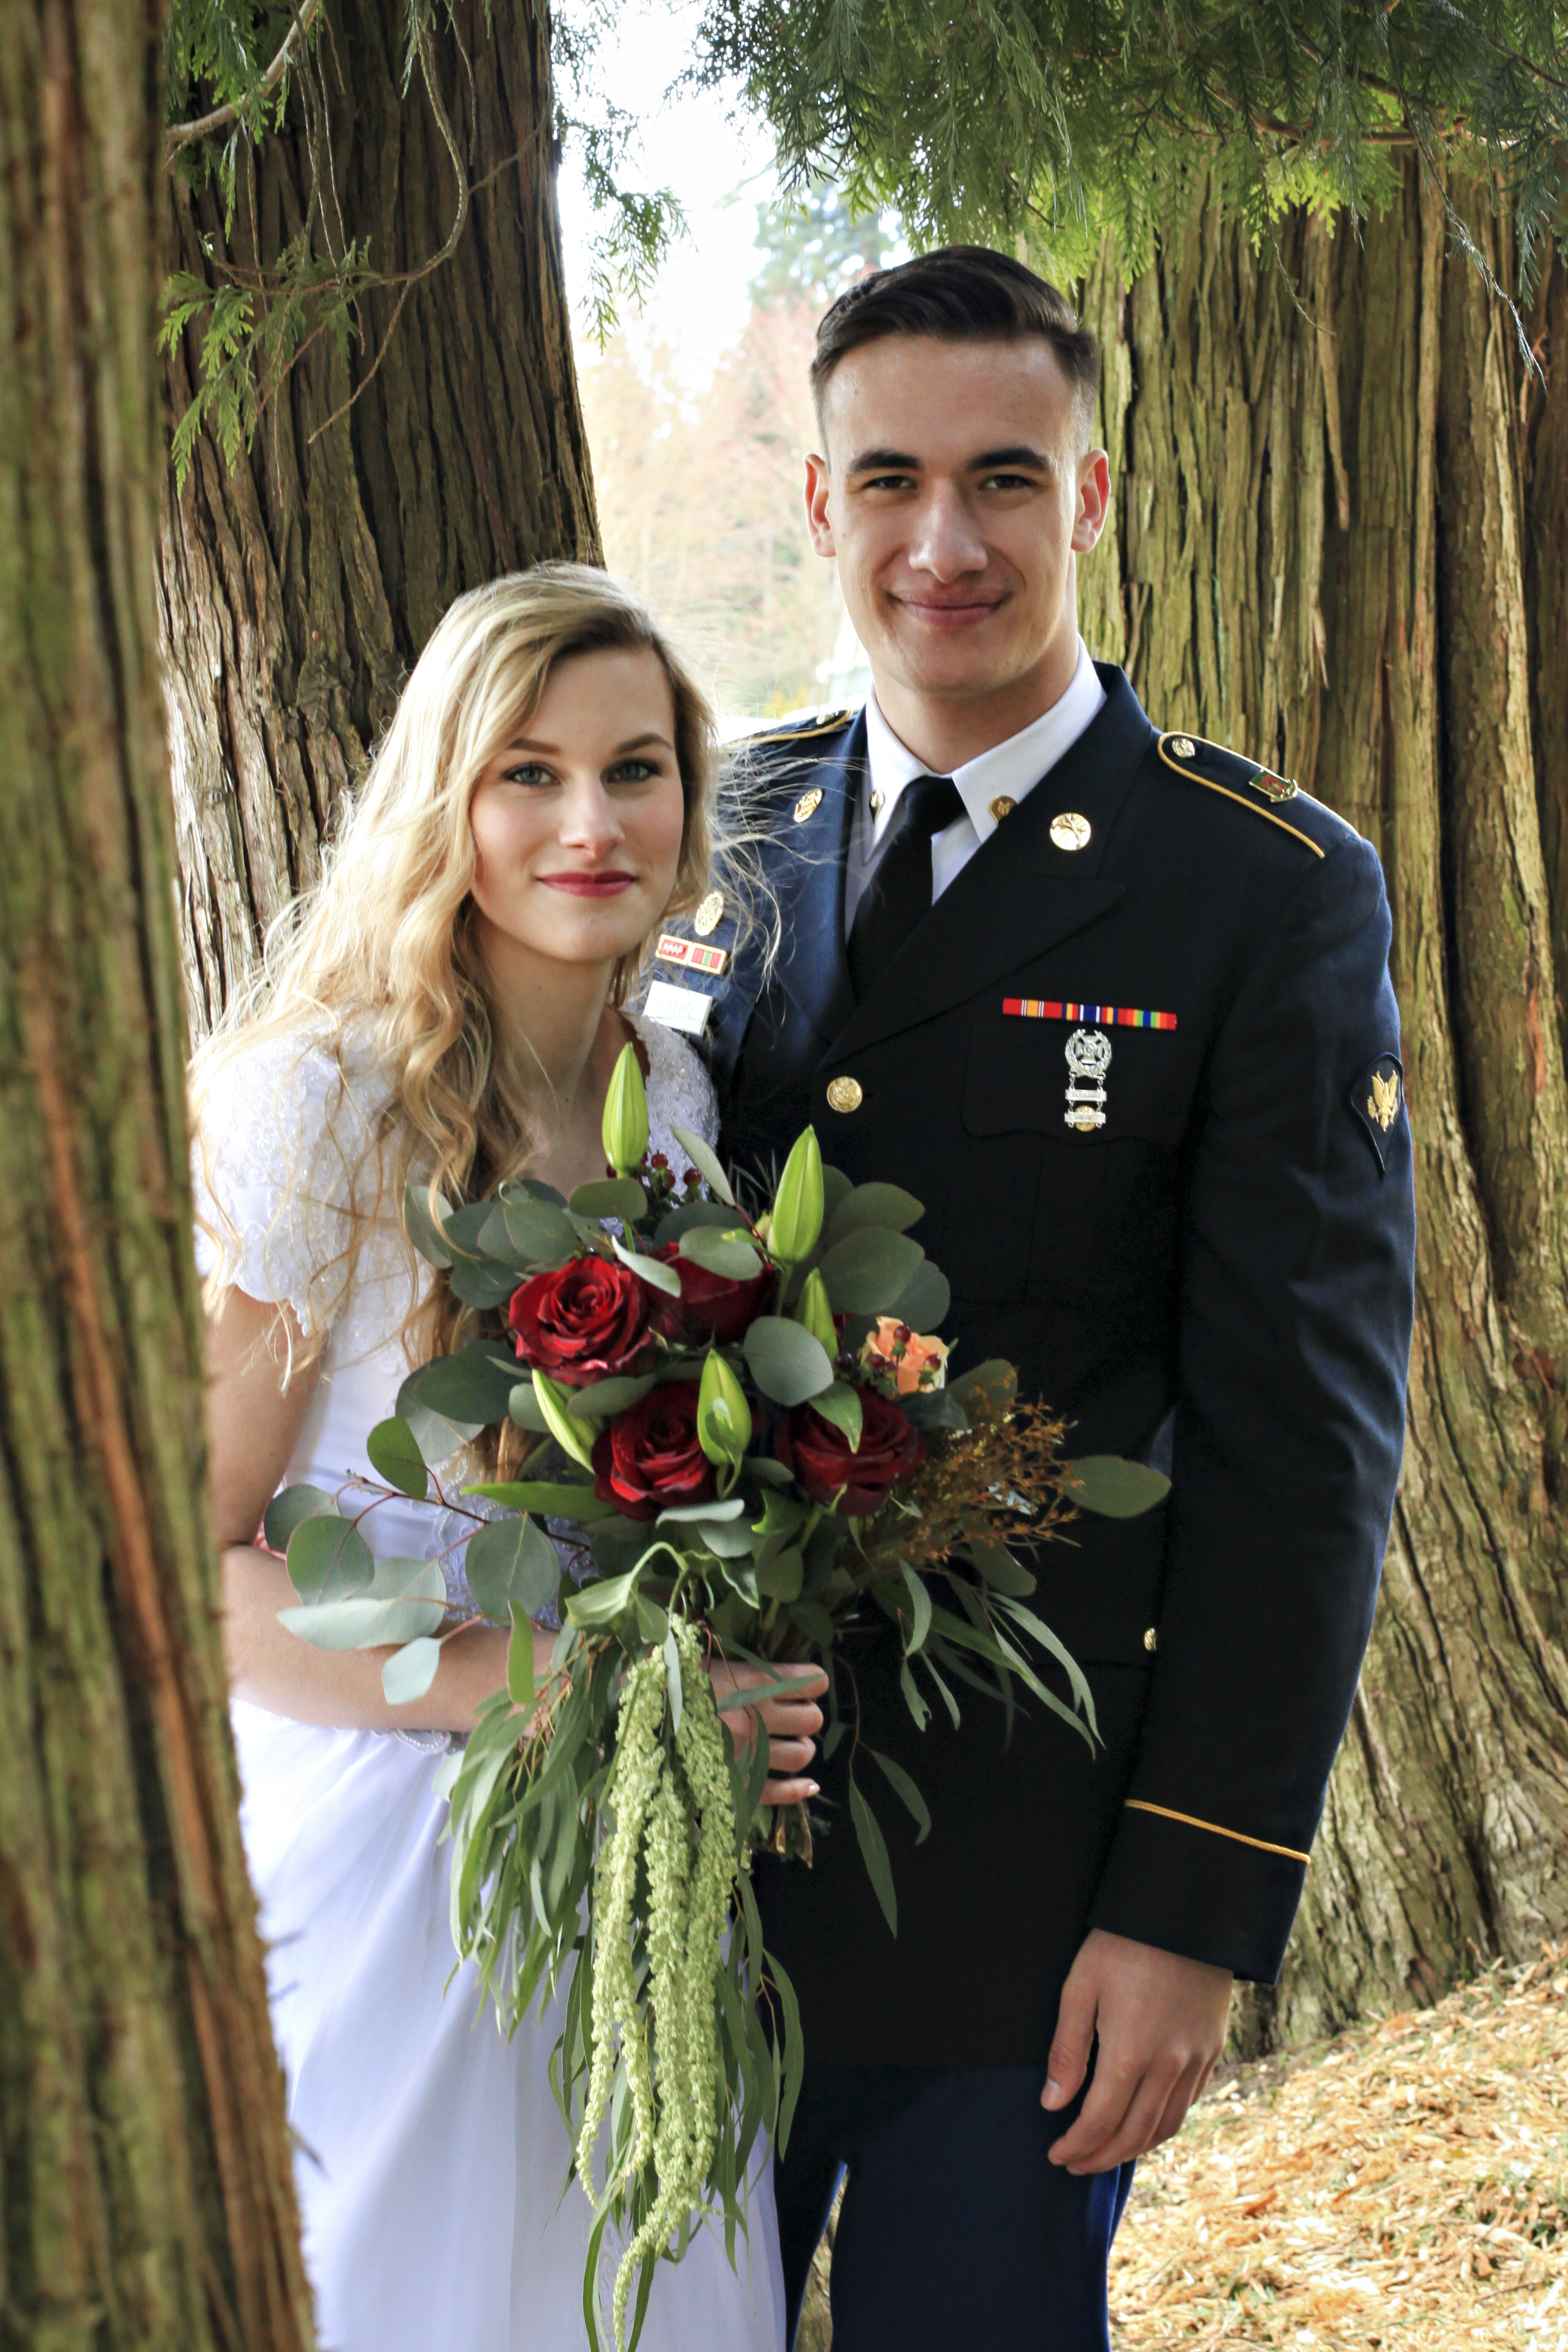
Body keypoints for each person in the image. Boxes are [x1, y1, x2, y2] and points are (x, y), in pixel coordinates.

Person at [640, 250, 1417, 2350]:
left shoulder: (1259, 886)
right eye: (887, 477)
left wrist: (1192, 1900)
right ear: (818, 506)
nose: (943, 540)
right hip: (694, 1863)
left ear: (1090, 494)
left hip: (1033, 1885)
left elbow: (1304, 1448)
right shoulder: (715, 830)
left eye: (1005, 475)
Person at [193, 567, 827, 2352]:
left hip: (637, 1878)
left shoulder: (681, 1097)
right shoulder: (318, 1104)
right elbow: (184, 1569)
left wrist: (741, 1683)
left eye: (637, 768)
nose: (590, 820)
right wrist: (541, 1686)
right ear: (446, 798)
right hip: (386, 1857)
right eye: (527, 773)